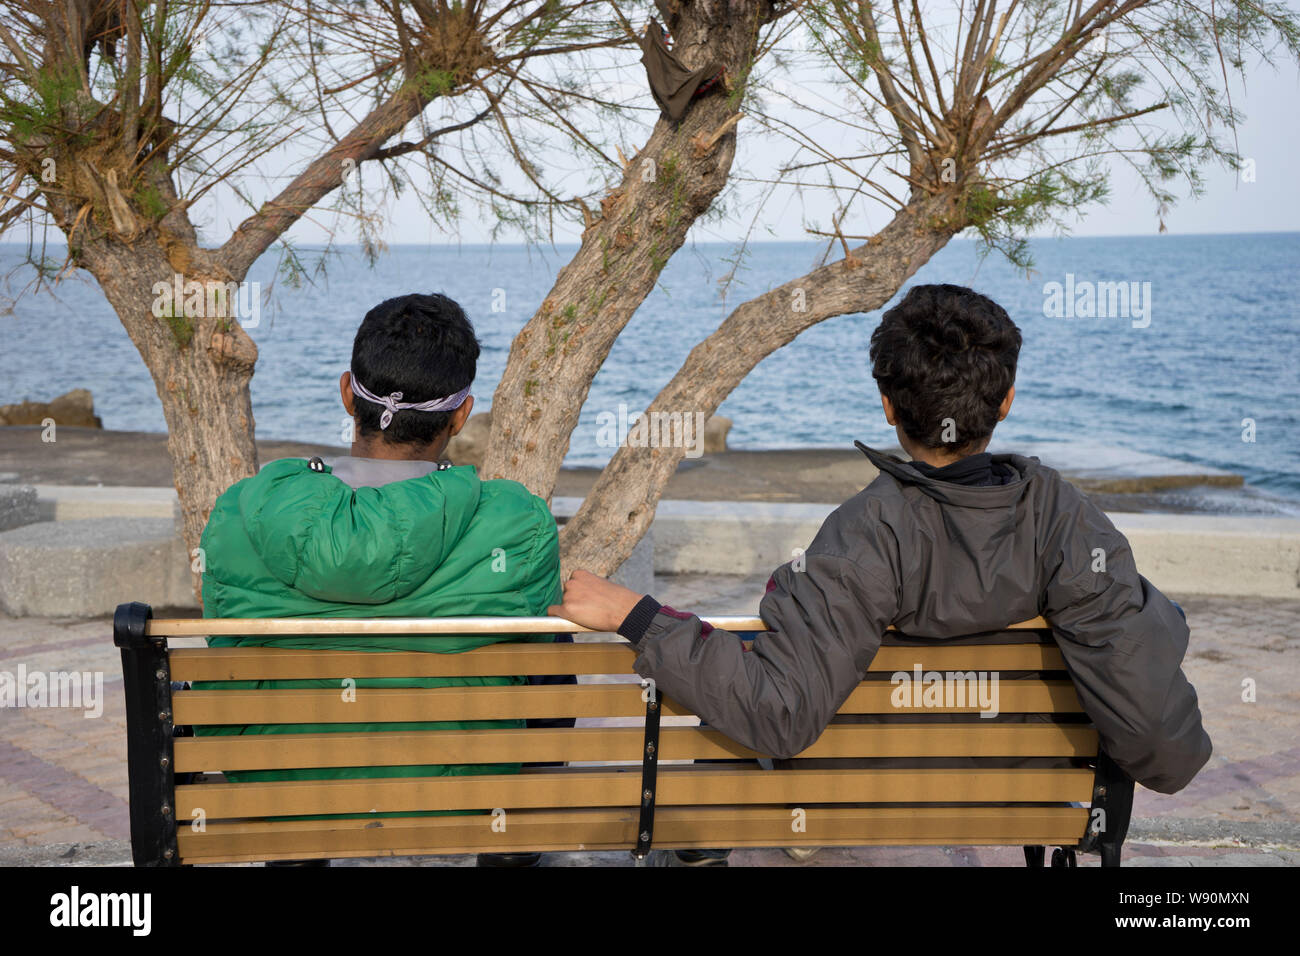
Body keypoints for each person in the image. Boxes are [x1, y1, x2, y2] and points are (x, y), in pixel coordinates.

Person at [550, 283, 1212, 864]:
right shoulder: (1067, 521)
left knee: (727, 688)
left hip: (859, 792)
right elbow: (1159, 738)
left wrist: (637, 616)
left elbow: (780, 713)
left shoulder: (865, 531)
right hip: (1034, 796)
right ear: (1006, 400)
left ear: (889, 407)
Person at [193, 292, 564, 867]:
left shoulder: (242, 510)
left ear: (348, 393)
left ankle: (297, 845)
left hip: (280, 777)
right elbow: (540, 667)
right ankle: (508, 847)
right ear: (461, 415)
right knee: (548, 646)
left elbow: (224, 637)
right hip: (464, 780)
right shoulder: (517, 520)